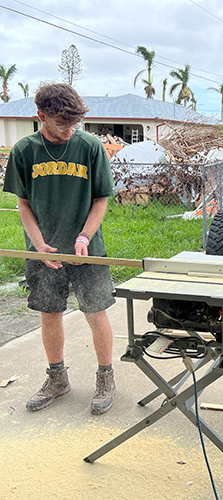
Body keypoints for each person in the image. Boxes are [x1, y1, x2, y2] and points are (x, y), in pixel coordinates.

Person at [3, 82, 117, 415]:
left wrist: (83, 237)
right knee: (50, 314)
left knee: (96, 313)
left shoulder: (90, 147)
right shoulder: (24, 151)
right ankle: (57, 378)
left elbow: (101, 200)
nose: (69, 130)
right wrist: (39, 244)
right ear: (41, 116)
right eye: (62, 124)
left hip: (86, 249)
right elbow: (23, 204)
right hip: (43, 250)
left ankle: (105, 378)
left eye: (74, 124)